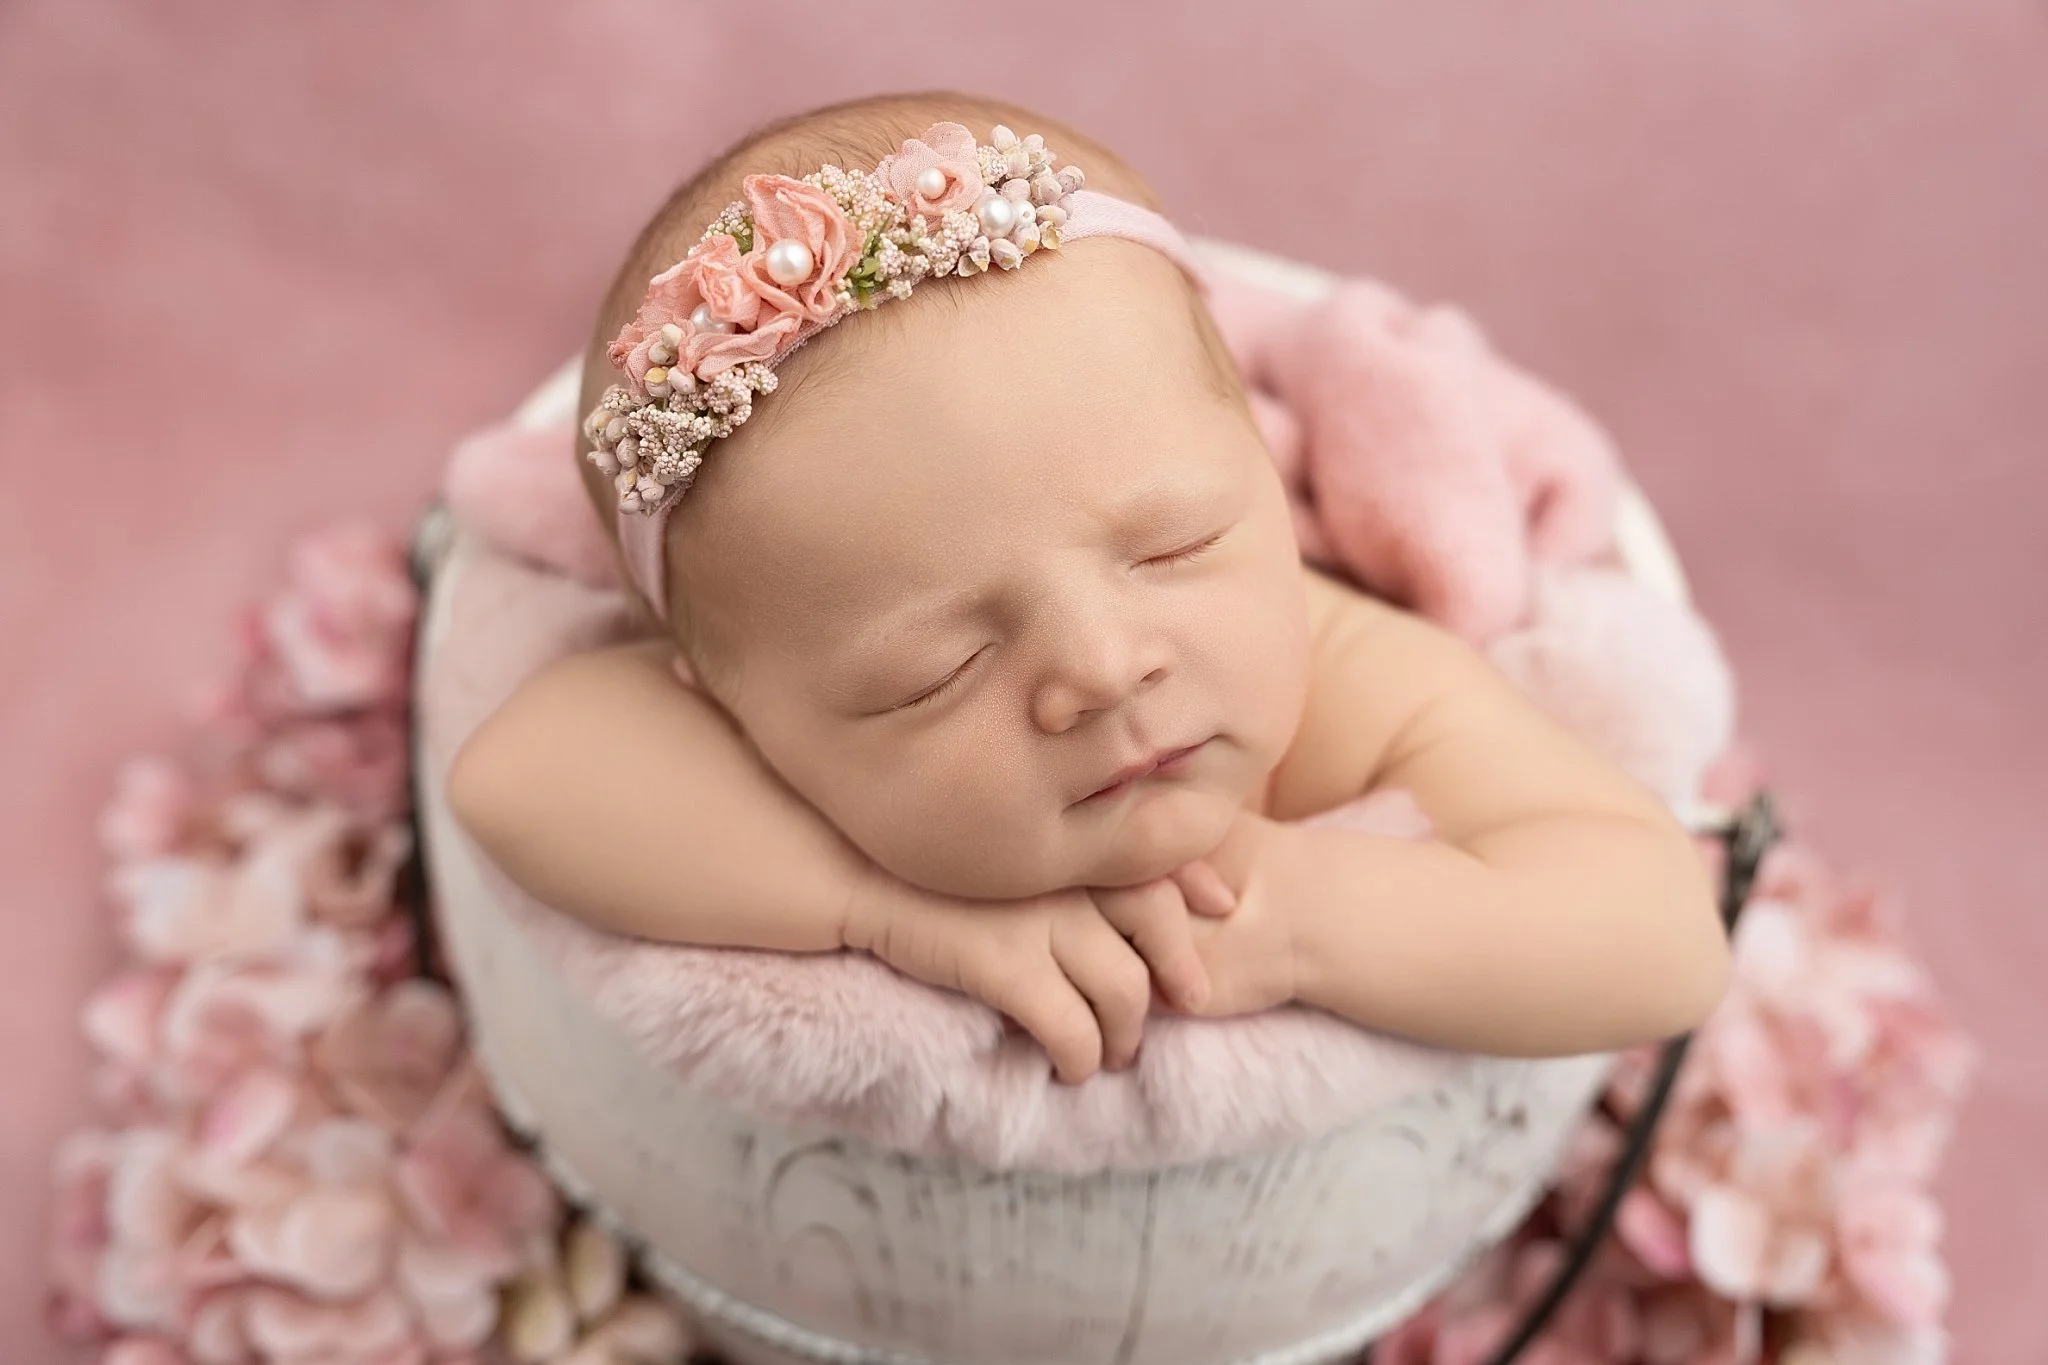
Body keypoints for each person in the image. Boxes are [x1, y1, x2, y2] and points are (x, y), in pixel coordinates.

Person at [448, 90, 1729, 1086]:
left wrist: (1301, 915)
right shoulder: (746, 720)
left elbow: (1656, 934)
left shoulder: (1354, 678)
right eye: (933, 672)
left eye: (1172, 546)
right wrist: (884, 910)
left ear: (1268, 479)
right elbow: (514, 777)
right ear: (732, 711)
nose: (1104, 668)